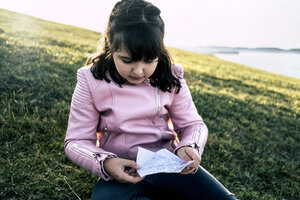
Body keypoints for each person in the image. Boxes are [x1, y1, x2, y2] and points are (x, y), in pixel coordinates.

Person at [64, 0, 237, 199]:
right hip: (121, 174)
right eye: (127, 60)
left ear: (159, 51)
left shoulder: (171, 76)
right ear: (111, 44)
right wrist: (107, 163)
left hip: (169, 166)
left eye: (149, 60)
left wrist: (189, 146)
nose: (138, 71)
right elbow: (76, 141)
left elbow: (193, 124)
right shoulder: (91, 79)